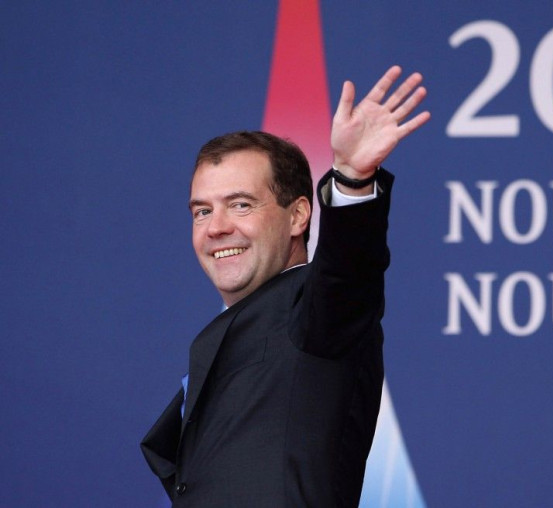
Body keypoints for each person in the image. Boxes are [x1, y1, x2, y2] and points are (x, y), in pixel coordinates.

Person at [141, 66, 429, 507]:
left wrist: (352, 178)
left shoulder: (315, 316)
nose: (216, 228)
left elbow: (347, 273)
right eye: (201, 211)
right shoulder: (228, 331)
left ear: (298, 216)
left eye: (240, 205)